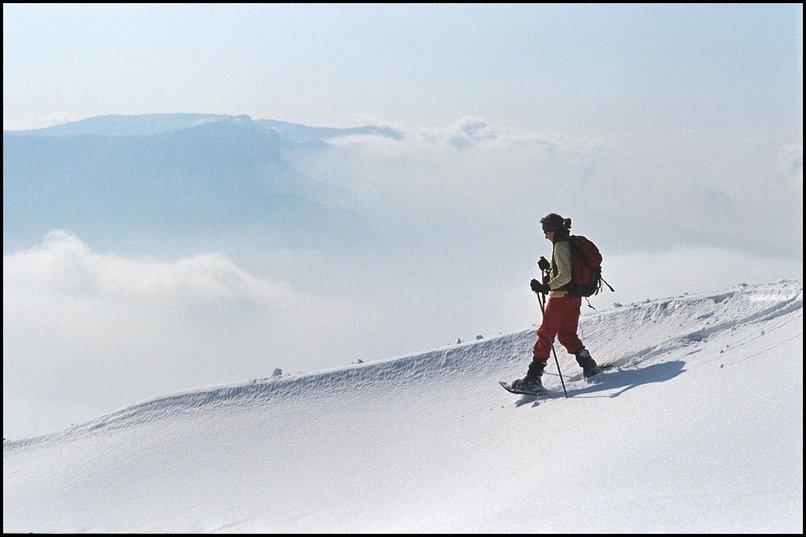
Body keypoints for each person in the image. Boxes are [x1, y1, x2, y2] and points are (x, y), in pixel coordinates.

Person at [510, 212, 601, 393]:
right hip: (574, 298)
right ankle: (588, 365)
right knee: (567, 335)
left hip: (560, 299)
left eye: (545, 230)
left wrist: (546, 287)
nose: (544, 234)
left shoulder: (560, 245)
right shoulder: (568, 242)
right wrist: (549, 268)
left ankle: (533, 379)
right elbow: (567, 271)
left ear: (553, 230)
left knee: (546, 335)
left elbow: (565, 276)